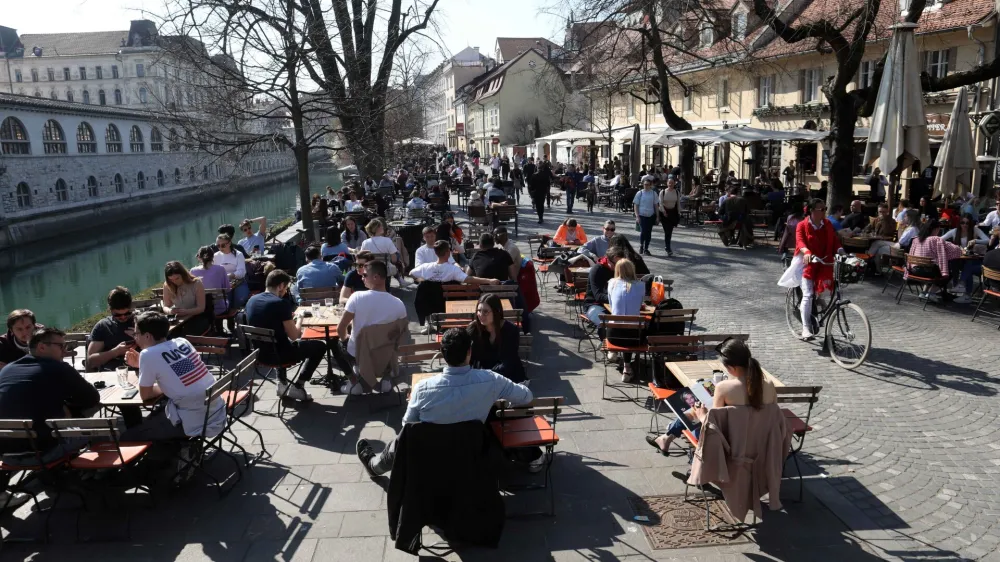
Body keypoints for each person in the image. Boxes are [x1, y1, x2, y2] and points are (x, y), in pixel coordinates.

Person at [356, 328, 534, 477]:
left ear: (442, 354)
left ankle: (375, 466)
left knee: (403, 438)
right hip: (471, 452)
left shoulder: (422, 388)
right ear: (469, 352)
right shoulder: (492, 380)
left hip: (435, 456)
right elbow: (526, 396)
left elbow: (408, 426)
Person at [646, 338, 776, 454]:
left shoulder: (724, 388)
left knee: (693, 414)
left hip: (729, 444)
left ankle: (690, 460)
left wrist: (701, 415)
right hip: (760, 441)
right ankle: (666, 438)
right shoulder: (769, 384)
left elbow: (714, 427)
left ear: (731, 368)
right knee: (695, 412)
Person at [0, 327, 100, 462]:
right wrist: (66, 407)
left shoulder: (7, 369)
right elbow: (92, 399)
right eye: (61, 346)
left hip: (6, 455)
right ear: (41, 347)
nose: (65, 351)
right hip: (44, 452)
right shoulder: (58, 367)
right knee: (96, 431)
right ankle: (96, 472)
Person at [121, 312, 225, 441]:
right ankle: (178, 450)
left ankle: (177, 452)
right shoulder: (182, 342)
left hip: (195, 420)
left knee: (128, 437)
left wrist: (157, 382)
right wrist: (141, 366)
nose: (135, 338)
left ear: (147, 336)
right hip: (216, 411)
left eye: (136, 334)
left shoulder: (148, 354)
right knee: (155, 417)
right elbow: (179, 375)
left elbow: (146, 395)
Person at [246, 270, 328, 402]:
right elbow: (295, 335)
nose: (286, 291)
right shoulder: (280, 303)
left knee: (280, 340)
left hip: (260, 354)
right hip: (280, 356)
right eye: (286, 288)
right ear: (280, 286)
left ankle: (282, 383)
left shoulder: (251, 300)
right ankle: (298, 386)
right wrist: (300, 318)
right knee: (320, 346)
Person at [335, 260, 407, 395]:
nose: (362, 278)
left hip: (359, 355)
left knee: (336, 344)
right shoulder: (399, 304)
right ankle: (386, 377)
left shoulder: (356, 297)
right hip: (385, 356)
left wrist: (345, 340)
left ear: (376, 277)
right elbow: (401, 335)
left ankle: (355, 382)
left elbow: (340, 328)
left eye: (365, 275)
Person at [795, 198, 843, 340]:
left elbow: (834, 241)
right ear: (811, 210)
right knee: (808, 294)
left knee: (825, 290)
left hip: (824, 261)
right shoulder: (802, 225)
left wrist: (841, 251)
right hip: (806, 263)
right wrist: (807, 252)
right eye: (820, 209)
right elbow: (800, 241)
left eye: (824, 209)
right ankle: (805, 328)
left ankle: (818, 300)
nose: (824, 212)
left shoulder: (827, 224)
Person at [467, 293, 525, 383]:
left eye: (485, 311)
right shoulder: (473, 329)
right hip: (481, 378)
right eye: (479, 310)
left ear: (496, 311)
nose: (481, 315)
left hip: (507, 377)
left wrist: (488, 375)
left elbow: (509, 361)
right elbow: (470, 358)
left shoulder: (510, 330)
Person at [605, 258, 645, 381]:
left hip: (614, 336)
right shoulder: (641, 285)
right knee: (634, 329)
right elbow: (640, 304)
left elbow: (611, 305)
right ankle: (627, 368)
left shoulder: (611, 283)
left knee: (621, 326)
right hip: (634, 337)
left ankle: (614, 353)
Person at [907, 218, 962, 302]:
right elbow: (956, 250)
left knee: (932, 269)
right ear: (936, 229)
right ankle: (931, 293)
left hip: (915, 270)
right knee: (946, 273)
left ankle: (924, 292)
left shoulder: (916, 239)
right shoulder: (935, 240)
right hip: (928, 272)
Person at [87, 286, 136, 370]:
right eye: (118, 315)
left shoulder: (141, 322)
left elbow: (159, 349)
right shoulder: (103, 326)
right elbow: (91, 361)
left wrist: (140, 339)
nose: (123, 317)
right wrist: (116, 352)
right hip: (111, 373)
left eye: (127, 313)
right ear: (110, 310)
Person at [162, 261, 209, 337]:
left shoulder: (196, 283)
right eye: (171, 279)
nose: (174, 281)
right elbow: (165, 306)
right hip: (179, 319)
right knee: (169, 336)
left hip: (197, 317)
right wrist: (170, 311)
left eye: (177, 278)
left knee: (186, 335)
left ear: (183, 275)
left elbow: (201, 308)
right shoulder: (167, 285)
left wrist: (187, 312)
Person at [583, 246, 626, 328]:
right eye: (616, 264)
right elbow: (598, 296)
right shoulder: (597, 270)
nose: (619, 267)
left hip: (615, 305)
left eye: (621, 263)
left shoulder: (622, 269)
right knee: (606, 325)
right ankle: (605, 339)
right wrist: (619, 299)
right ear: (608, 260)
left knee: (632, 323)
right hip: (594, 305)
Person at [190, 246, 231, 316]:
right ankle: (222, 325)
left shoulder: (193, 271)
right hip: (220, 309)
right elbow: (227, 289)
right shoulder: (220, 269)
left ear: (199, 257)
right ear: (213, 257)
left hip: (201, 309)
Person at [214, 233, 249, 307]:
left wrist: (230, 275)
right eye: (218, 246)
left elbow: (242, 272)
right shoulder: (215, 256)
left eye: (223, 245)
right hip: (224, 284)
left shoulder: (238, 254)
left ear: (229, 243)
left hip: (239, 282)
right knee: (225, 302)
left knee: (239, 300)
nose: (220, 248)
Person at [633, 175, 658, 255]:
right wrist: (637, 216)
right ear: (643, 185)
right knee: (643, 231)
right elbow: (636, 205)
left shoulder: (654, 194)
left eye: (648, 184)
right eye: (645, 184)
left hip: (650, 215)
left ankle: (646, 248)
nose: (646, 186)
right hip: (642, 215)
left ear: (651, 185)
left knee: (649, 232)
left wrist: (657, 216)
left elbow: (656, 205)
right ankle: (641, 245)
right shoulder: (639, 193)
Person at [658, 178, 680, 256]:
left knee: (669, 231)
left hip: (673, 213)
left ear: (674, 184)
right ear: (667, 183)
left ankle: (667, 246)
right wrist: (663, 211)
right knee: (667, 231)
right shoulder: (663, 192)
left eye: (672, 183)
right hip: (664, 213)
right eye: (669, 183)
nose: (671, 184)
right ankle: (668, 247)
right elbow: (660, 203)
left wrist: (679, 213)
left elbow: (678, 203)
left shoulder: (677, 192)